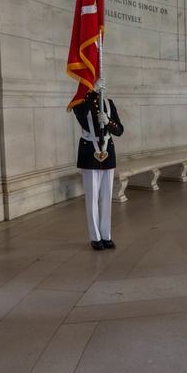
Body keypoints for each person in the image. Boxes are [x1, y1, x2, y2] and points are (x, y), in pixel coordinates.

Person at [71, 79, 124, 250]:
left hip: (107, 152)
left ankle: (106, 235)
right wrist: (92, 91)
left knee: (107, 197)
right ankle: (95, 237)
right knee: (92, 196)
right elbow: (81, 114)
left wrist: (108, 122)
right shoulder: (79, 103)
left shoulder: (108, 103)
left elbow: (120, 130)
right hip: (89, 153)